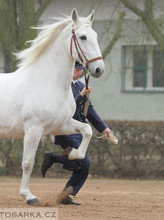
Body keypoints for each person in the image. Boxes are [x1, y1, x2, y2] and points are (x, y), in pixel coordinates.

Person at [41, 61, 111, 205]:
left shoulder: (80, 85)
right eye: (75, 69)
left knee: (83, 166)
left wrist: (104, 128)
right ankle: (54, 158)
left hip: (79, 131)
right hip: (66, 130)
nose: (78, 72)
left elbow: (89, 110)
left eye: (80, 70)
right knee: (84, 162)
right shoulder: (61, 87)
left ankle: (66, 194)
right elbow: (66, 109)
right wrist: (80, 95)